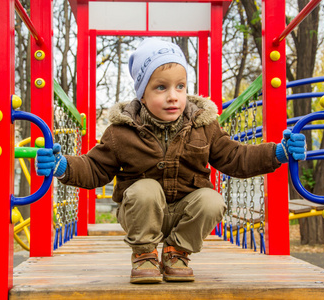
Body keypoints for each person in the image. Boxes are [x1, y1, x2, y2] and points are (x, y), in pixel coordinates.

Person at [36, 38, 306, 284]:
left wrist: (277, 153)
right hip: (141, 213)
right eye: (160, 87)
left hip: (185, 214)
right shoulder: (121, 132)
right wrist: (63, 167)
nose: (173, 96)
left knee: (212, 199)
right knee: (145, 188)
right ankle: (144, 255)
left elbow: (235, 157)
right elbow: (95, 168)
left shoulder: (204, 126)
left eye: (180, 86)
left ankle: (177, 252)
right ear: (142, 94)